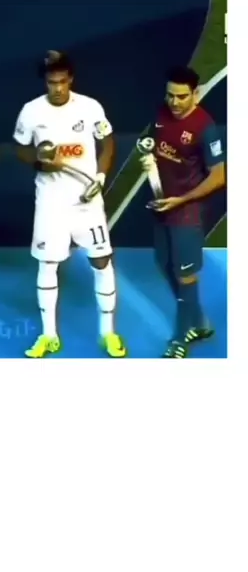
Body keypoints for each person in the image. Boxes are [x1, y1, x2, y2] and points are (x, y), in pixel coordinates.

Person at [13, 51, 127, 358]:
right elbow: (20, 149)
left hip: (86, 203)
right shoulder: (31, 112)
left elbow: (108, 142)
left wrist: (100, 177)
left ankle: (108, 333)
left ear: (71, 80)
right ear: (45, 82)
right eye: (52, 83)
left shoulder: (90, 107)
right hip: (51, 203)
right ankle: (48, 336)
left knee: (101, 261)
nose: (57, 88)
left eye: (62, 82)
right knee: (47, 264)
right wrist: (39, 161)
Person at [139, 65, 226, 358]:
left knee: (185, 275)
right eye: (170, 95)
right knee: (163, 264)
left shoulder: (206, 127)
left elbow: (219, 177)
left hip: (187, 212)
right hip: (163, 205)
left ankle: (179, 339)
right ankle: (199, 322)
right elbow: (155, 144)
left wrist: (181, 200)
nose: (174, 102)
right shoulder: (162, 113)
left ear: (195, 94)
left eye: (181, 96)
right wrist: (148, 160)